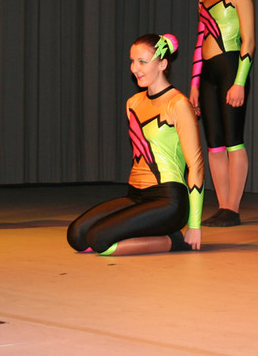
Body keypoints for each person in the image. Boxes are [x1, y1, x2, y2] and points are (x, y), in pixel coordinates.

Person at [68, 34, 204, 255]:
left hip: (168, 200)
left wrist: (195, 225)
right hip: (136, 196)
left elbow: (196, 165)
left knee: (100, 240)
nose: (135, 68)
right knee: (77, 235)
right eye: (132, 61)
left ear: (162, 64)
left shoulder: (178, 104)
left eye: (142, 62)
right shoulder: (133, 103)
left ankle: (173, 241)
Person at [188, 0, 255, 227]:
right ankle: (222, 206)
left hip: (231, 68)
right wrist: (194, 85)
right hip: (207, 75)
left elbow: (249, 41)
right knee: (214, 143)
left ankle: (233, 208)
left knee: (233, 140)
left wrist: (239, 82)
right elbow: (200, 41)